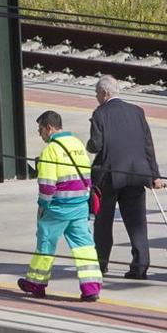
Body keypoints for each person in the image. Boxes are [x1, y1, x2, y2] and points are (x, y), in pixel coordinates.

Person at [18, 111, 104, 302]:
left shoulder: (51, 150)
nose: (40, 134)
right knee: (85, 247)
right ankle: (91, 288)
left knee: (46, 244)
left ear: (49, 128)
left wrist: (42, 206)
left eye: (40, 130)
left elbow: (47, 186)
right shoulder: (78, 144)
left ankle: (36, 284)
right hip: (80, 206)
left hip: (58, 208)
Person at [87, 75, 166, 280]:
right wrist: (154, 176)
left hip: (110, 177)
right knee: (137, 222)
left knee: (103, 223)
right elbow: (148, 145)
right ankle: (140, 267)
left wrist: (88, 146)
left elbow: (96, 144)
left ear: (104, 93)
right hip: (138, 174)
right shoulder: (137, 111)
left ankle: (101, 264)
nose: (96, 97)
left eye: (97, 93)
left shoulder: (100, 114)